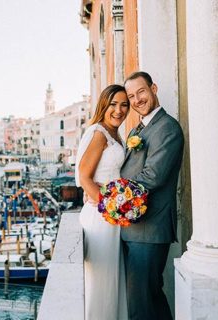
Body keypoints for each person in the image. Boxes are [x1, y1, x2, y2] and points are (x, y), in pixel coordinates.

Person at [121, 71, 184, 320]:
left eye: (141, 92)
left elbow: (153, 176)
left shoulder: (167, 128)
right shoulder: (140, 128)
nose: (137, 99)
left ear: (153, 88)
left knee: (141, 305)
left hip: (150, 227)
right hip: (134, 226)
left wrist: (113, 197)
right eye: (131, 96)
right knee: (150, 298)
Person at [75, 84, 129, 320]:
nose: (119, 110)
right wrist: (111, 210)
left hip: (111, 216)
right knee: (102, 283)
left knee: (111, 281)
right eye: (113, 104)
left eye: (124, 105)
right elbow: (84, 177)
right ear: (103, 106)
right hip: (102, 217)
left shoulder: (115, 133)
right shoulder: (99, 133)